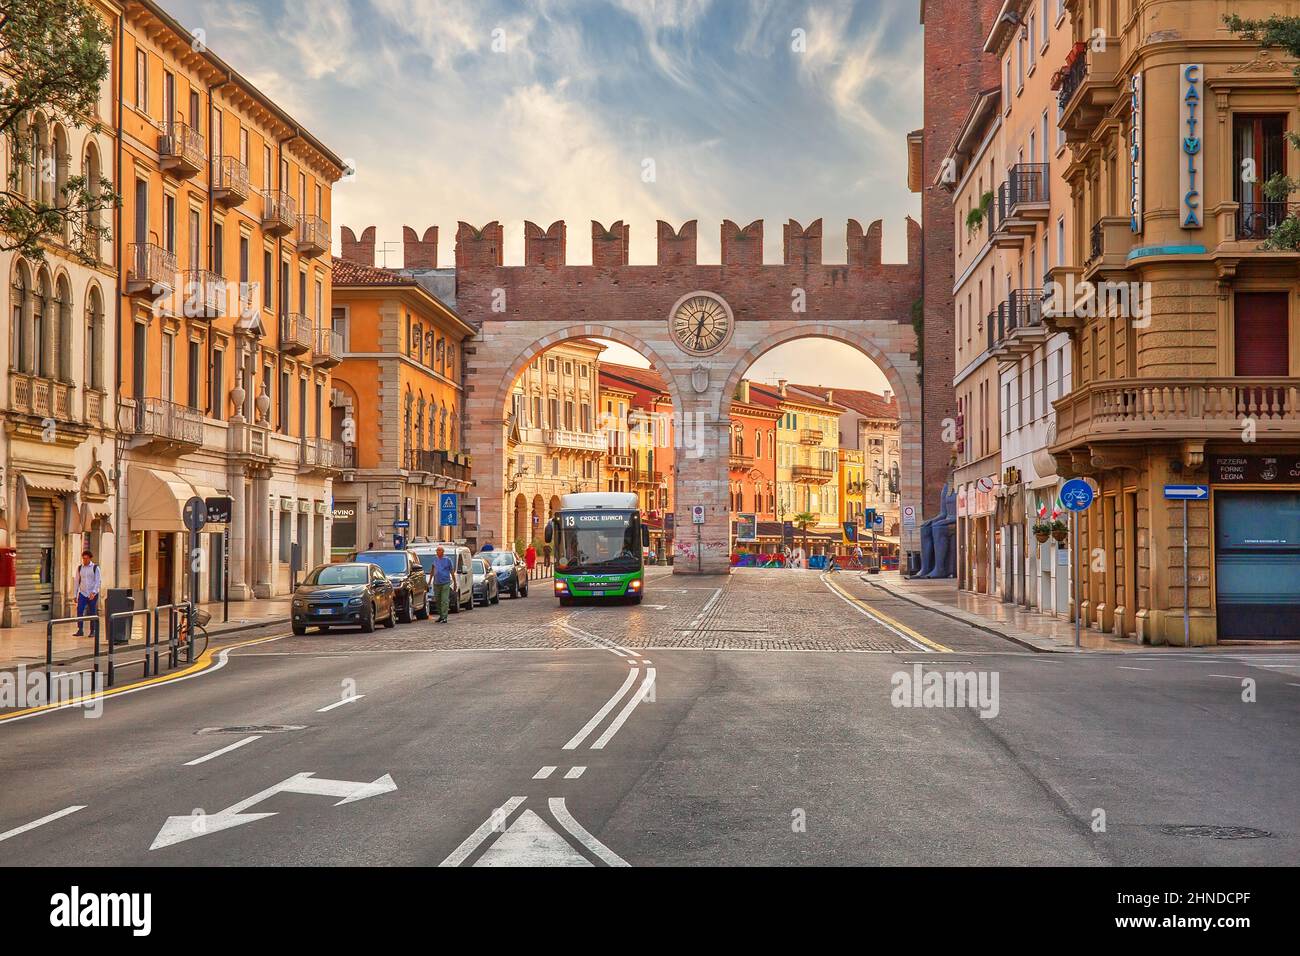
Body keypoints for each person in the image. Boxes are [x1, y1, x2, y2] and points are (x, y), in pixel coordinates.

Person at [73, 549, 101, 637]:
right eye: (83, 558)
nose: (84, 560)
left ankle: (93, 630)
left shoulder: (95, 568)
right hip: (83, 593)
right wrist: (75, 594)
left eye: (86, 559)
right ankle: (80, 629)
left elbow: (98, 581)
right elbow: (76, 581)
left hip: (92, 594)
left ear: (90, 558)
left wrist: (94, 592)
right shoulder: (80, 568)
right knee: (80, 610)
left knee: (92, 612)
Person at [429, 546, 455, 623]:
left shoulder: (448, 560)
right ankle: (441, 616)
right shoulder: (435, 560)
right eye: (437, 550)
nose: (437, 552)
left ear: (443, 552)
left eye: (439, 550)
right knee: (437, 600)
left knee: (444, 600)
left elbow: (452, 571)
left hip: (445, 583)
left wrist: (455, 582)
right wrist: (430, 581)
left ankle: (444, 617)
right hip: (436, 583)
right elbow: (432, 571)